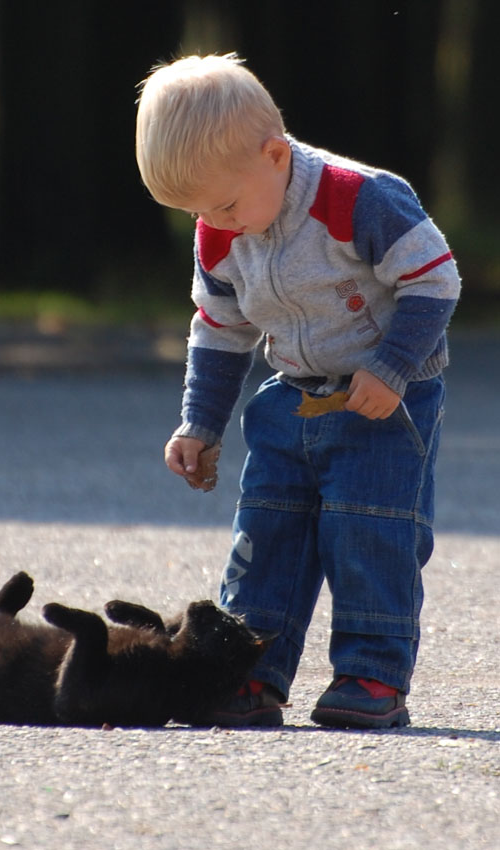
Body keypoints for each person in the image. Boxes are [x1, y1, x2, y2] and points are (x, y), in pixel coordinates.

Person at [135, 53, 461, 728]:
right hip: (291, 396)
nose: (216, 223)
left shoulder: (360, 198)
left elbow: (434, 281)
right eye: (195, 212)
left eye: (224, 204)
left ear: (275, 155)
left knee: (368, 533)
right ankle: (250, 676)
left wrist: (392, 368)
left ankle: (372, 676)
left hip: (384, 400)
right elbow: (221, 329)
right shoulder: (219, 232)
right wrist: (200, 423)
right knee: (266, 531)